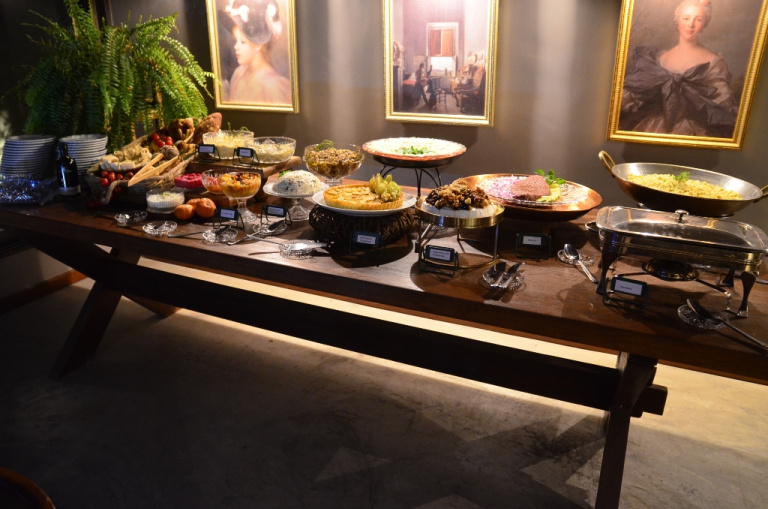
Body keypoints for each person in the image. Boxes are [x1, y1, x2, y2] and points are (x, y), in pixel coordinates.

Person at [619, 0, 738, 138]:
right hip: (655, 127)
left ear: (704, 24)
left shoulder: (714, 62)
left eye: (698, 19)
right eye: (686, 18)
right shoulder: (660, 58)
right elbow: (638, 92)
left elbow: (723, 102)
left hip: (694, 131)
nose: (691, 24)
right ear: (677, 22)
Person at [221, 0, 291, 104]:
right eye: (236, 41)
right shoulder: (238, 74)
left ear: (258, 45)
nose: (236, 47)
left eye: (243, 42)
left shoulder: (274, 85)